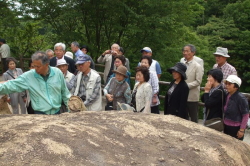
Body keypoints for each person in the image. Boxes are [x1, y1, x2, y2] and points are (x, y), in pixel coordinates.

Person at [0, 51, 71, 114]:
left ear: (47, 64)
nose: (35, 69)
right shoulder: (29, 76)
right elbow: (11, 85)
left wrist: (70, 108)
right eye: (34, 66)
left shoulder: (57, 73)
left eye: (38, 66)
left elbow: (65, 92)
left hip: (57, 112)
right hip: (39, 114)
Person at [181, 44, 204, 123]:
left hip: (192, 95)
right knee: (182, 116)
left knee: (193, 118)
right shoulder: (182, 62)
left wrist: (185, 86)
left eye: (187, 51)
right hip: (181, 94)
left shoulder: (197, 65)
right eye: (184, 51)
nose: (185, 53)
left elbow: (198, 81)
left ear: (193, 52)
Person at [223, 75, 249, 140]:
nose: (227, 86)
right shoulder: (227, 95)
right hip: (226, 125)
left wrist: (241, 130)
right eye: (226, 83)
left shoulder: (241, 98)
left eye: (229, 84)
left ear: (236, 87)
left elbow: (245, 115)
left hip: (236, 127)